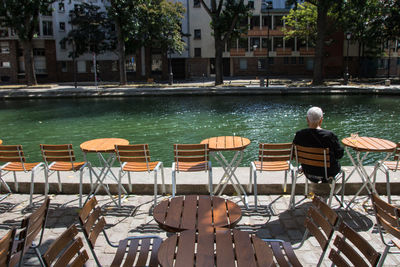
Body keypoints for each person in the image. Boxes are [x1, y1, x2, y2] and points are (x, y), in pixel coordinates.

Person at [293, 106, 344, 183]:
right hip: (328, 173)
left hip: (308, 172)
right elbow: (339, 155)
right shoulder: (329, 136)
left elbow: (294, 153)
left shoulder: (299, 134)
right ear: (321, 120)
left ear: (307, 119)